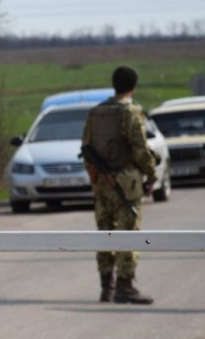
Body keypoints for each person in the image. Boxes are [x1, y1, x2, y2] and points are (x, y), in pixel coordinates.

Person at [82, 66, 157, 305]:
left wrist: (95, 177)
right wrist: (151, 174)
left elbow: (86, 146)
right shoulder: (131, 112)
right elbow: (140, 149)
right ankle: (125, 286)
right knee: (128, 233)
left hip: (102, 183)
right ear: (133, 87)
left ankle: (107, 287)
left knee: (105, 233)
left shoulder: (96, 112)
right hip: (127, 184)